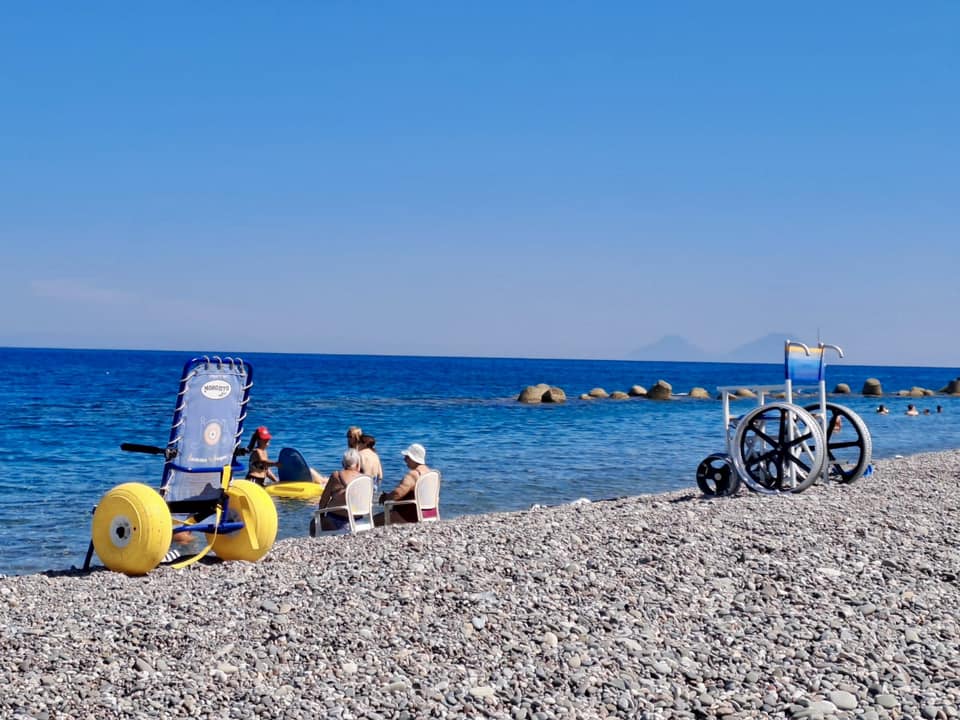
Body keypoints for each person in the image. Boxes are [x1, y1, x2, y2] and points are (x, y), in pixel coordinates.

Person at [375, 443, 434, 526]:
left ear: (414, 458)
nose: (404, 459)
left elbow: (397, 494)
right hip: (429, 513)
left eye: (407, 457)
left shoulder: (413, 474)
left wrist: (385, 497)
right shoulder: (430, 473)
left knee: (374, 521)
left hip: (409, 515)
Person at [314, 448, 364, 532]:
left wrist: (321, 516)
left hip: (336, 521)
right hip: (359, 520)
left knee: (313, 524)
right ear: (358, 464)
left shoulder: (336, 476)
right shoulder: (364, 478)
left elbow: (324, 500)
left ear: (342, 463)